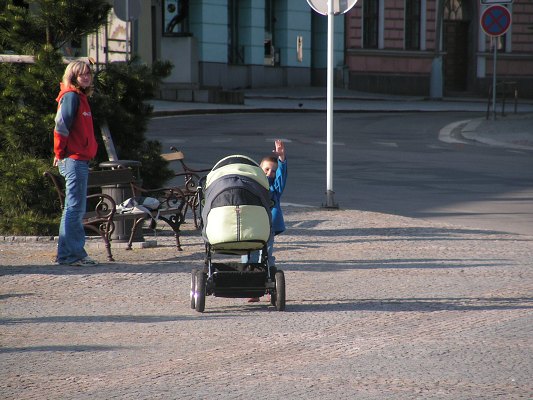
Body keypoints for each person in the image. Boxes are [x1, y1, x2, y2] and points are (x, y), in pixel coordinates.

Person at [53, 60, 99, 266]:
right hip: (74, 159)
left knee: (72, 208)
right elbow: (61, 127)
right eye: (82, 75)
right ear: (73, 77)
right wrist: (60, 152)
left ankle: (67, 254)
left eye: (88, 73)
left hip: (78, 159)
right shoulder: (71, 97)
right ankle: (73, 255)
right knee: (75, 209)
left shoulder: (80, 98)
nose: (87, 77)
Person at [245, 139, 288, 302]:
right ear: (259, 169)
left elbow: (281, 178)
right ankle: (251, 287)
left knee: (267, 255)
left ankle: (270, 283)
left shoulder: (274, 189)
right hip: (250, 225)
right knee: (249, 255)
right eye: (266, 169)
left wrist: (282, 158)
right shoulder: (252, 185)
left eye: (273, 171)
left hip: (268, 226)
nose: (269, 173)